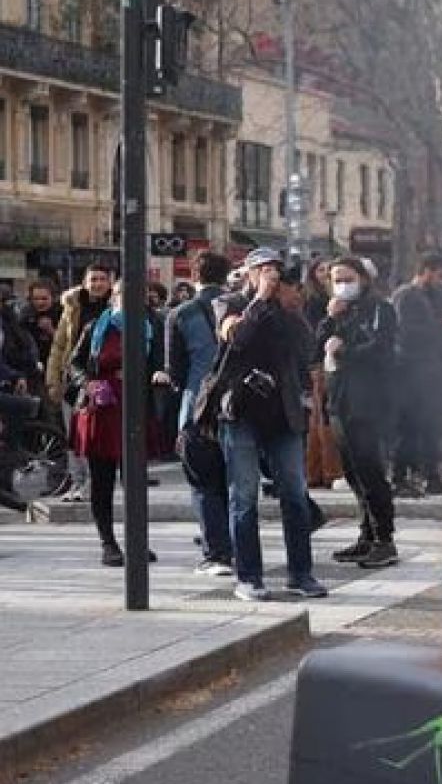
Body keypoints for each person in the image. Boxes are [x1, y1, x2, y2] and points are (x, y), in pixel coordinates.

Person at [210, 248, 324, 601]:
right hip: (241, 411)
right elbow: (237, 338)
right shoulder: (228, 303)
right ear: (249, 273)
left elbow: (307, 349)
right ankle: (249, 577)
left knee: (294, 493)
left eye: (275, 270)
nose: (271, 276)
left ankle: (300, 574)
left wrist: (292, 308)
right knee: (244, 495)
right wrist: (259, 300)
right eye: (263, 269)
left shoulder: (286, 308)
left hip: (283, 412)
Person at [316, 258, 401, 569]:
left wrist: (345, 352)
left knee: (370, 471)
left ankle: (384, 539)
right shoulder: (338, 310)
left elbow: (381, 349)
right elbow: (318, 344)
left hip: (367, 401)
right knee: (353, 473)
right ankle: (367, 534)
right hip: (339, 399)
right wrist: (330, 319)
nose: (341, 285)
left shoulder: (379, 309)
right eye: (336, 279)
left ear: (363, 278)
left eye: (347, 278)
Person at [66, 289, 160, 566]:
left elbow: (158, 363)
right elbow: (74, 363)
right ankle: (108, 542)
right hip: (103, 407)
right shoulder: (96, 326)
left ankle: (137, 540)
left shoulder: (150, 327)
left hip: (136, 405)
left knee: (134, 480)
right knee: (102, 479)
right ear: (114, 298)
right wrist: (88, 383)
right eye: (123, 294)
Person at [162, 252, 235, 576]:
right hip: (239, 406)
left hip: (197, 407)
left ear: (194, 276)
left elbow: (175, 372)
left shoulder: (180, 314)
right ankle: (239, 546)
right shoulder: (241, 307)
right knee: (236, 482)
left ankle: (217, 554)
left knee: (204, 483)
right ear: (227, 274)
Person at [390, 255, 442, 496]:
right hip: (410, 371)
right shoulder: (407, 296)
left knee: (430, 426)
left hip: (430, 371)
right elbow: (406, 332)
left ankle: (432, 475)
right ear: (426, 271)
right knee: (410, 427)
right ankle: (400, 477)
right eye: (440, 276)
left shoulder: (431, 297)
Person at [44, 264, 115, 502]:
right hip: (73, 379)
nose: (97, 284)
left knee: (95, 437)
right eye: (93, 279)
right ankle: (77, 482)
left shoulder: (115, 308)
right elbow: (59, 346)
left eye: (102, 279)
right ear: (84, 282)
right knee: (73, 436)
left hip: (102, 382)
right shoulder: (72, 307)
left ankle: (94, 484)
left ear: (109, 283)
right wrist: (53, 380)